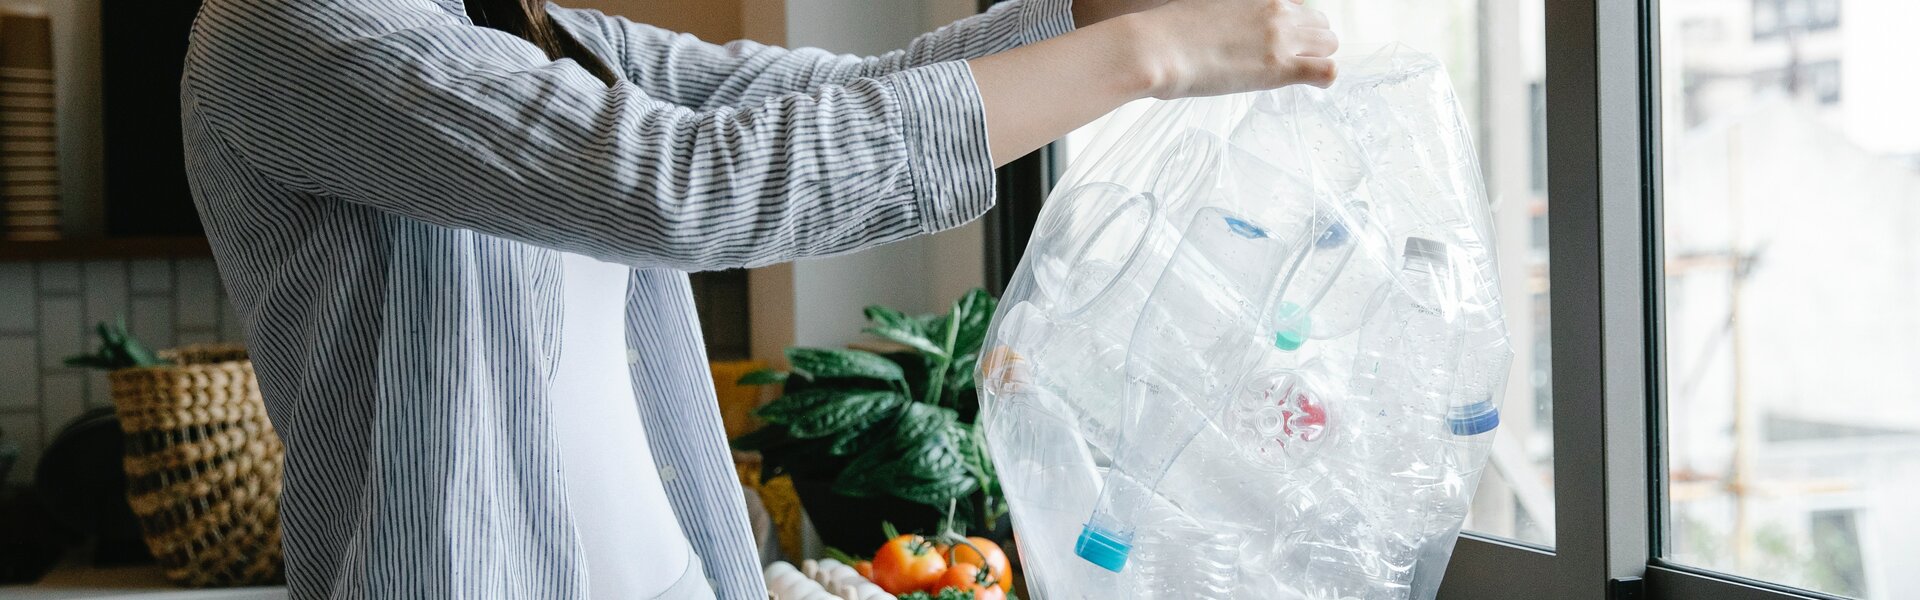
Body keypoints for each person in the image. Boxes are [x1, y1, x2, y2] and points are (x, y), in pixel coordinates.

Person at [180, 0, 1336, 597]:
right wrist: (1146, 56)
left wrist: (1093, 14)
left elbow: (849, 95)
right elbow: (684, 187)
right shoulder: (290, 29)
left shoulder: (531, 32)